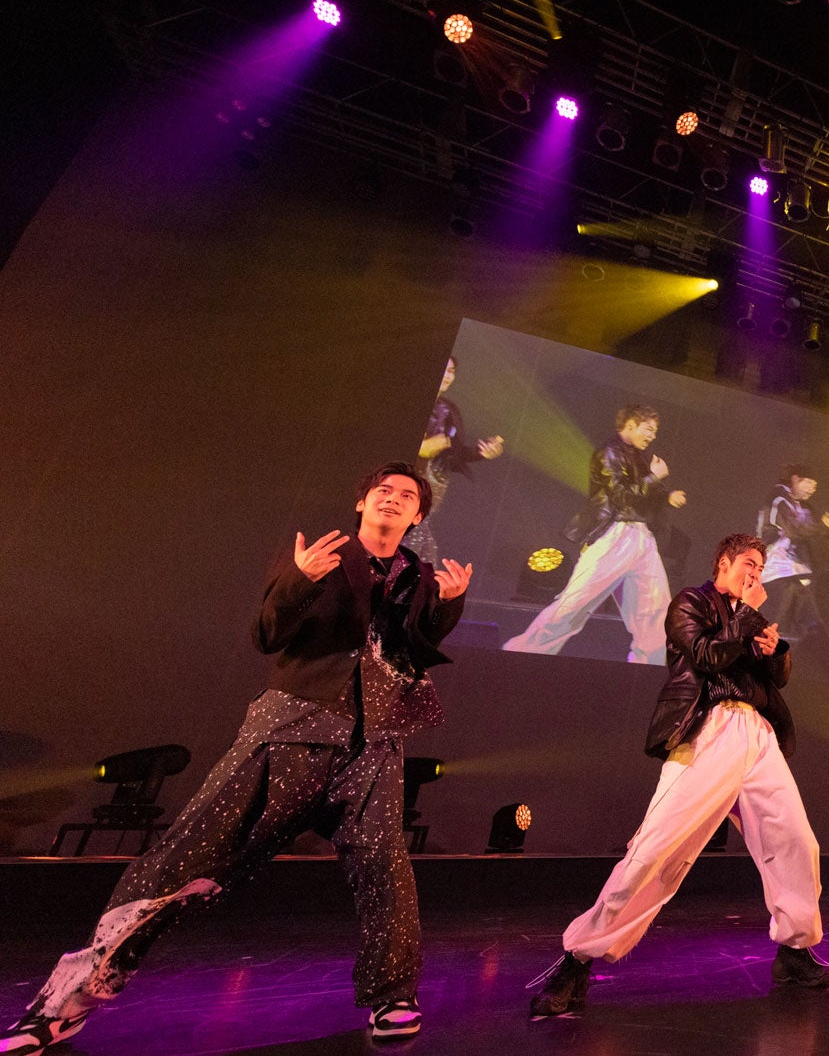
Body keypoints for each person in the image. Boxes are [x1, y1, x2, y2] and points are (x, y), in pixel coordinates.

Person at [0, 463, 473, 1053]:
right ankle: (62, 1005)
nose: (393, 500)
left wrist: (448, 606)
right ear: (363, 503)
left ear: (417, 516)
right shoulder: (320, 554)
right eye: (384, 491)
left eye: (407, 497)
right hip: (290, 731)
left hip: (372, 746)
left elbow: (414, 649)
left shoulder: (420, 577)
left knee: (387, 874)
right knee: (183, 860)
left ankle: (393, 996)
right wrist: (299, 581)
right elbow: (266, 635)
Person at [529, 533, 829, 1018]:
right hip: (709, 730)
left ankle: (794, 952)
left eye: (761, 567)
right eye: (748, 564)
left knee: (795, 840)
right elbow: (707, 657)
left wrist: (775, 651)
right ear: (723, 563)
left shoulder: (748, 619)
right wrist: (749, 618)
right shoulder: (691, 601)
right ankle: (578, 958)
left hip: (757, 734)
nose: (756, 574)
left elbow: (774, 680)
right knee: (656, 849)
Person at [502, 404, 685, 664]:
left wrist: (667, 496)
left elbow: (643, 495)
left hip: (641, 537)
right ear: (630, 425)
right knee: (573, 606)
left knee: (655, 612)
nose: (653, 435)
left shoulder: (637, 457)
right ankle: (520, 654)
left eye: (655, 431)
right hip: (615, 534)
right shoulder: (608, 453)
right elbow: (621, 496)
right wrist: (654, 478)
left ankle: (649, 669)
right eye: (649, 429)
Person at [410, 355, 504, 565]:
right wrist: (422, 448)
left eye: (452, 371)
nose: (448, 376)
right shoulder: (407, 400)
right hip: (405, 487)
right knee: (413, 551)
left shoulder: (449, 409)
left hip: (432, 490)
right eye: (445, 369)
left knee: (419, 550)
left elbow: (455, 452)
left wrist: (482, 453)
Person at [756, 464, 829, 639]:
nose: (812, 489)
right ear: (795, 479)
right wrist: (825, 525)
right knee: (779, 625)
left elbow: (813, 533)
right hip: (777, 570)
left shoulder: (801, 505)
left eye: (815, 486)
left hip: (796, 571)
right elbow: (795, 531)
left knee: (804, 625)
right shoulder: (779, 499)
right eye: (809, 483)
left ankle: (803, 650)